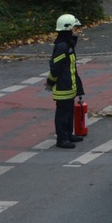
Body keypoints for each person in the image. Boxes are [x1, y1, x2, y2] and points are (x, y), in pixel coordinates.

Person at [45, 14, 84, 149]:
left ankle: (68, 134)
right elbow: (56, 67)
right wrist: (50, 82)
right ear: (67, 29)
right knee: (63, 113)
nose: (76, 31)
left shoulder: (68, 44)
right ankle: (62, 139)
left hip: (69, 85)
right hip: (63, 87)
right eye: (74, 28)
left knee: (69, 111)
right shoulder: (62, 46)